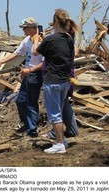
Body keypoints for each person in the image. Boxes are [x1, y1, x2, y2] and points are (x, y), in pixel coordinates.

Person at [33, 9, 78, 154]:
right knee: (58, 111)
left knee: (54, 114)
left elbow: (35, 52)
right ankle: (62, 140)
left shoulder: (50, 39)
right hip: (65, 81)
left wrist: (35, 40)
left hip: (52, 81)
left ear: (55, 22)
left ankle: (59, 144)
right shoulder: (68, 38)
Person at [0, 17, 43, 137]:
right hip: (26, 73)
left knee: (31, 102)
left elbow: (44, 62)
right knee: (20, 100)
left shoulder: (41, 42)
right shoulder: (27, 40)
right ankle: (27, 124)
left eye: (25, 28)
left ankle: (32, 129)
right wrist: (1, 62)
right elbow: (16, 53)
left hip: (35, 74)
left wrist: (31, 69)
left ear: (32, 28)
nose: (24, 31)